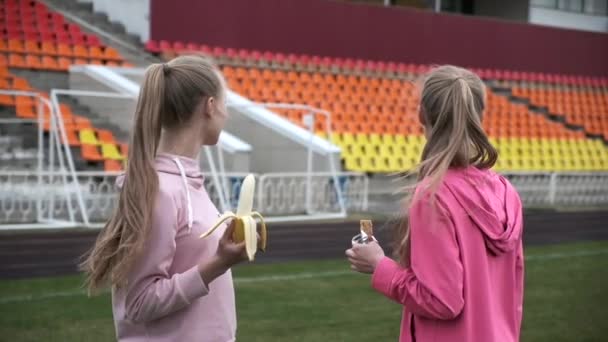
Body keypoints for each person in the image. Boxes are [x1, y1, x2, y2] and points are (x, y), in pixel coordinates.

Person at [346, 65, 524, 342]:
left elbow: (442, 301)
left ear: (421, 114)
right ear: (479, 115)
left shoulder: (434, 197)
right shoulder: (505, 192)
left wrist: (380, 265)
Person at [81, 55, 248, 341]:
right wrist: (218, 264)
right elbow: (138, 303)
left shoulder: (184, 181)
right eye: (225, 104)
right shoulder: (161, 190)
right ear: (210, 107)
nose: (227, 114)